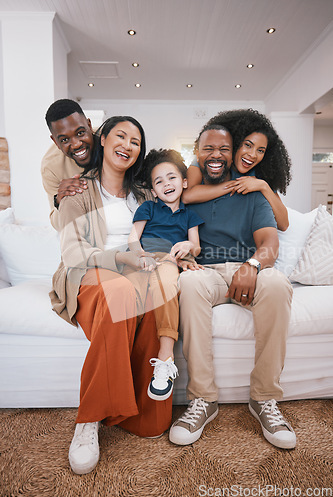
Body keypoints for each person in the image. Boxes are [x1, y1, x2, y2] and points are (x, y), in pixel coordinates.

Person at [50, 116, 175, 475]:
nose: (128, 145)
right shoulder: (77, 190)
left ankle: (137, 412)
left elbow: (172, 220)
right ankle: (88, 419)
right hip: (87, 275)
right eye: (121, 136)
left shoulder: (146, 195)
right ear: (102, 139)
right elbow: (73, 254)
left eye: (136, 141)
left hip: (138, 275)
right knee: (119, 290)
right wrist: (120, 258)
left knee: (156, 298)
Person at [169, 123, 296, 450]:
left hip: (246, 269)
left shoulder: (253, 192)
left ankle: (265, 399)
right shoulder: (189, 191)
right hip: (206, 270)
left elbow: (270, 240)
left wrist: (252, 265)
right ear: (197, 154)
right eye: (208, 149)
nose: (217, 155)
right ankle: (203, 399)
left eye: (224, 149)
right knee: (190, 282)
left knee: (278, 284)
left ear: (233, 151)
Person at [128, 148, 203, 401]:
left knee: (168, 280)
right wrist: (141, 255)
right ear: (153, 189)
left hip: (170, 261)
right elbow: (133, 239)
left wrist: (188, 249)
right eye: (158, 181)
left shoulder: (190, 214)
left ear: (183, 182)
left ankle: (165, 357)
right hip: (145, 262)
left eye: (171, 178)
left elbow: (197, 245)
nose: (166, 184)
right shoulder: (147, 208)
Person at [182, 109, 291, 231]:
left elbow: (284, 224)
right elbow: (188, 196)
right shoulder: (209, 160)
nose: (253, 155)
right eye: (248, 145)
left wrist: (263, 186)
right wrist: (237, 184)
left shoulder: (259, 173)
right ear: (235, 142)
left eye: (260, 150)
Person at [42, 99, 94, 230]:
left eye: (80, 133)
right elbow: (58, 225)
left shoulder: (110, 141)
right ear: (55, 141)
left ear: (89, 125)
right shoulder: (51, 167)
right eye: (64, 140)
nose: (77, 144)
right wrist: (60, 201)